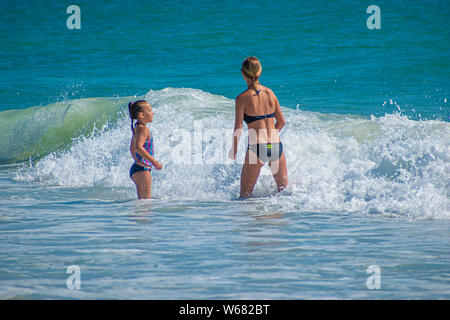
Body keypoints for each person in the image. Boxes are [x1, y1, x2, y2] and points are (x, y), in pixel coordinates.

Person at [229, 57, 288, 198]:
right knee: (284, 192)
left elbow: (238, 129)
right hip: (275, 146)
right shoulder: (270, 93)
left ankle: (254, 220)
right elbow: (281, 122)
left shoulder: (242, 98)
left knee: (245, 196)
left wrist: (234, 150)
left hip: (257, 147)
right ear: (260, 72)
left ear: (243, 74)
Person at [128, 100, 163, 199]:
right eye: (150, 111)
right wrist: (154, 161)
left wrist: (137, 161)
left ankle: (138, 214)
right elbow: (138, 147)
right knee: (146, 202)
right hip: (142, 170)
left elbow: (132, 148)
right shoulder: (143, 129)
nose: (153, 113)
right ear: (141, 115)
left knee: (142, 202)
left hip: (137, 168)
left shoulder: (137, 128)